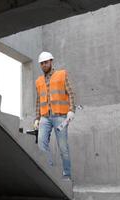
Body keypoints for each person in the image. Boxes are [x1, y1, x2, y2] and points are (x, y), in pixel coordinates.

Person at [34, 51, 75, 180]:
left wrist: (71, 110)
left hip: (60, 117)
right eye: (42, 63)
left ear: (51, 61)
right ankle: (50, 172)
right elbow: (38, 101)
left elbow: (71, 94)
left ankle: (66, 175)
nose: (44, 65)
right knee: (41, 144)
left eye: (46, 62)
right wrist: (37, 118)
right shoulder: (39, 81)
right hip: (45, 118)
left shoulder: (62, 74)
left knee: (63, 147)